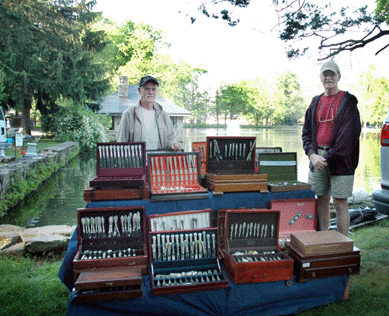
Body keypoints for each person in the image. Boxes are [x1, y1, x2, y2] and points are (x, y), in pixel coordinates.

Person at [302, 60, 361, 236]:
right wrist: (312, 155)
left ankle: (342, 246)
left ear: (339, 77)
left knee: (340, 203)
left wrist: (326, 158)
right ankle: (325, 240)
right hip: (317, 157)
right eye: (325, 74)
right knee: (321, 200)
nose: (329, 78)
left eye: (332, 74)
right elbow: (306, 134)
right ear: (320, 78)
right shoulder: (315, 102)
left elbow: (348, 137)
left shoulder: (348, 101)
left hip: (341, 160)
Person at [116, 75, 183, 151]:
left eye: (153, 89)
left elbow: (170, 139)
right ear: (139, 91)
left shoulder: (163, 115)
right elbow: (121, 143)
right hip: (138, 161)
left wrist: (174, 144)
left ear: (157, 91)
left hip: (158, 161)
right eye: (147, 89)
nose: (151, 92)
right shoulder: (129, 114)